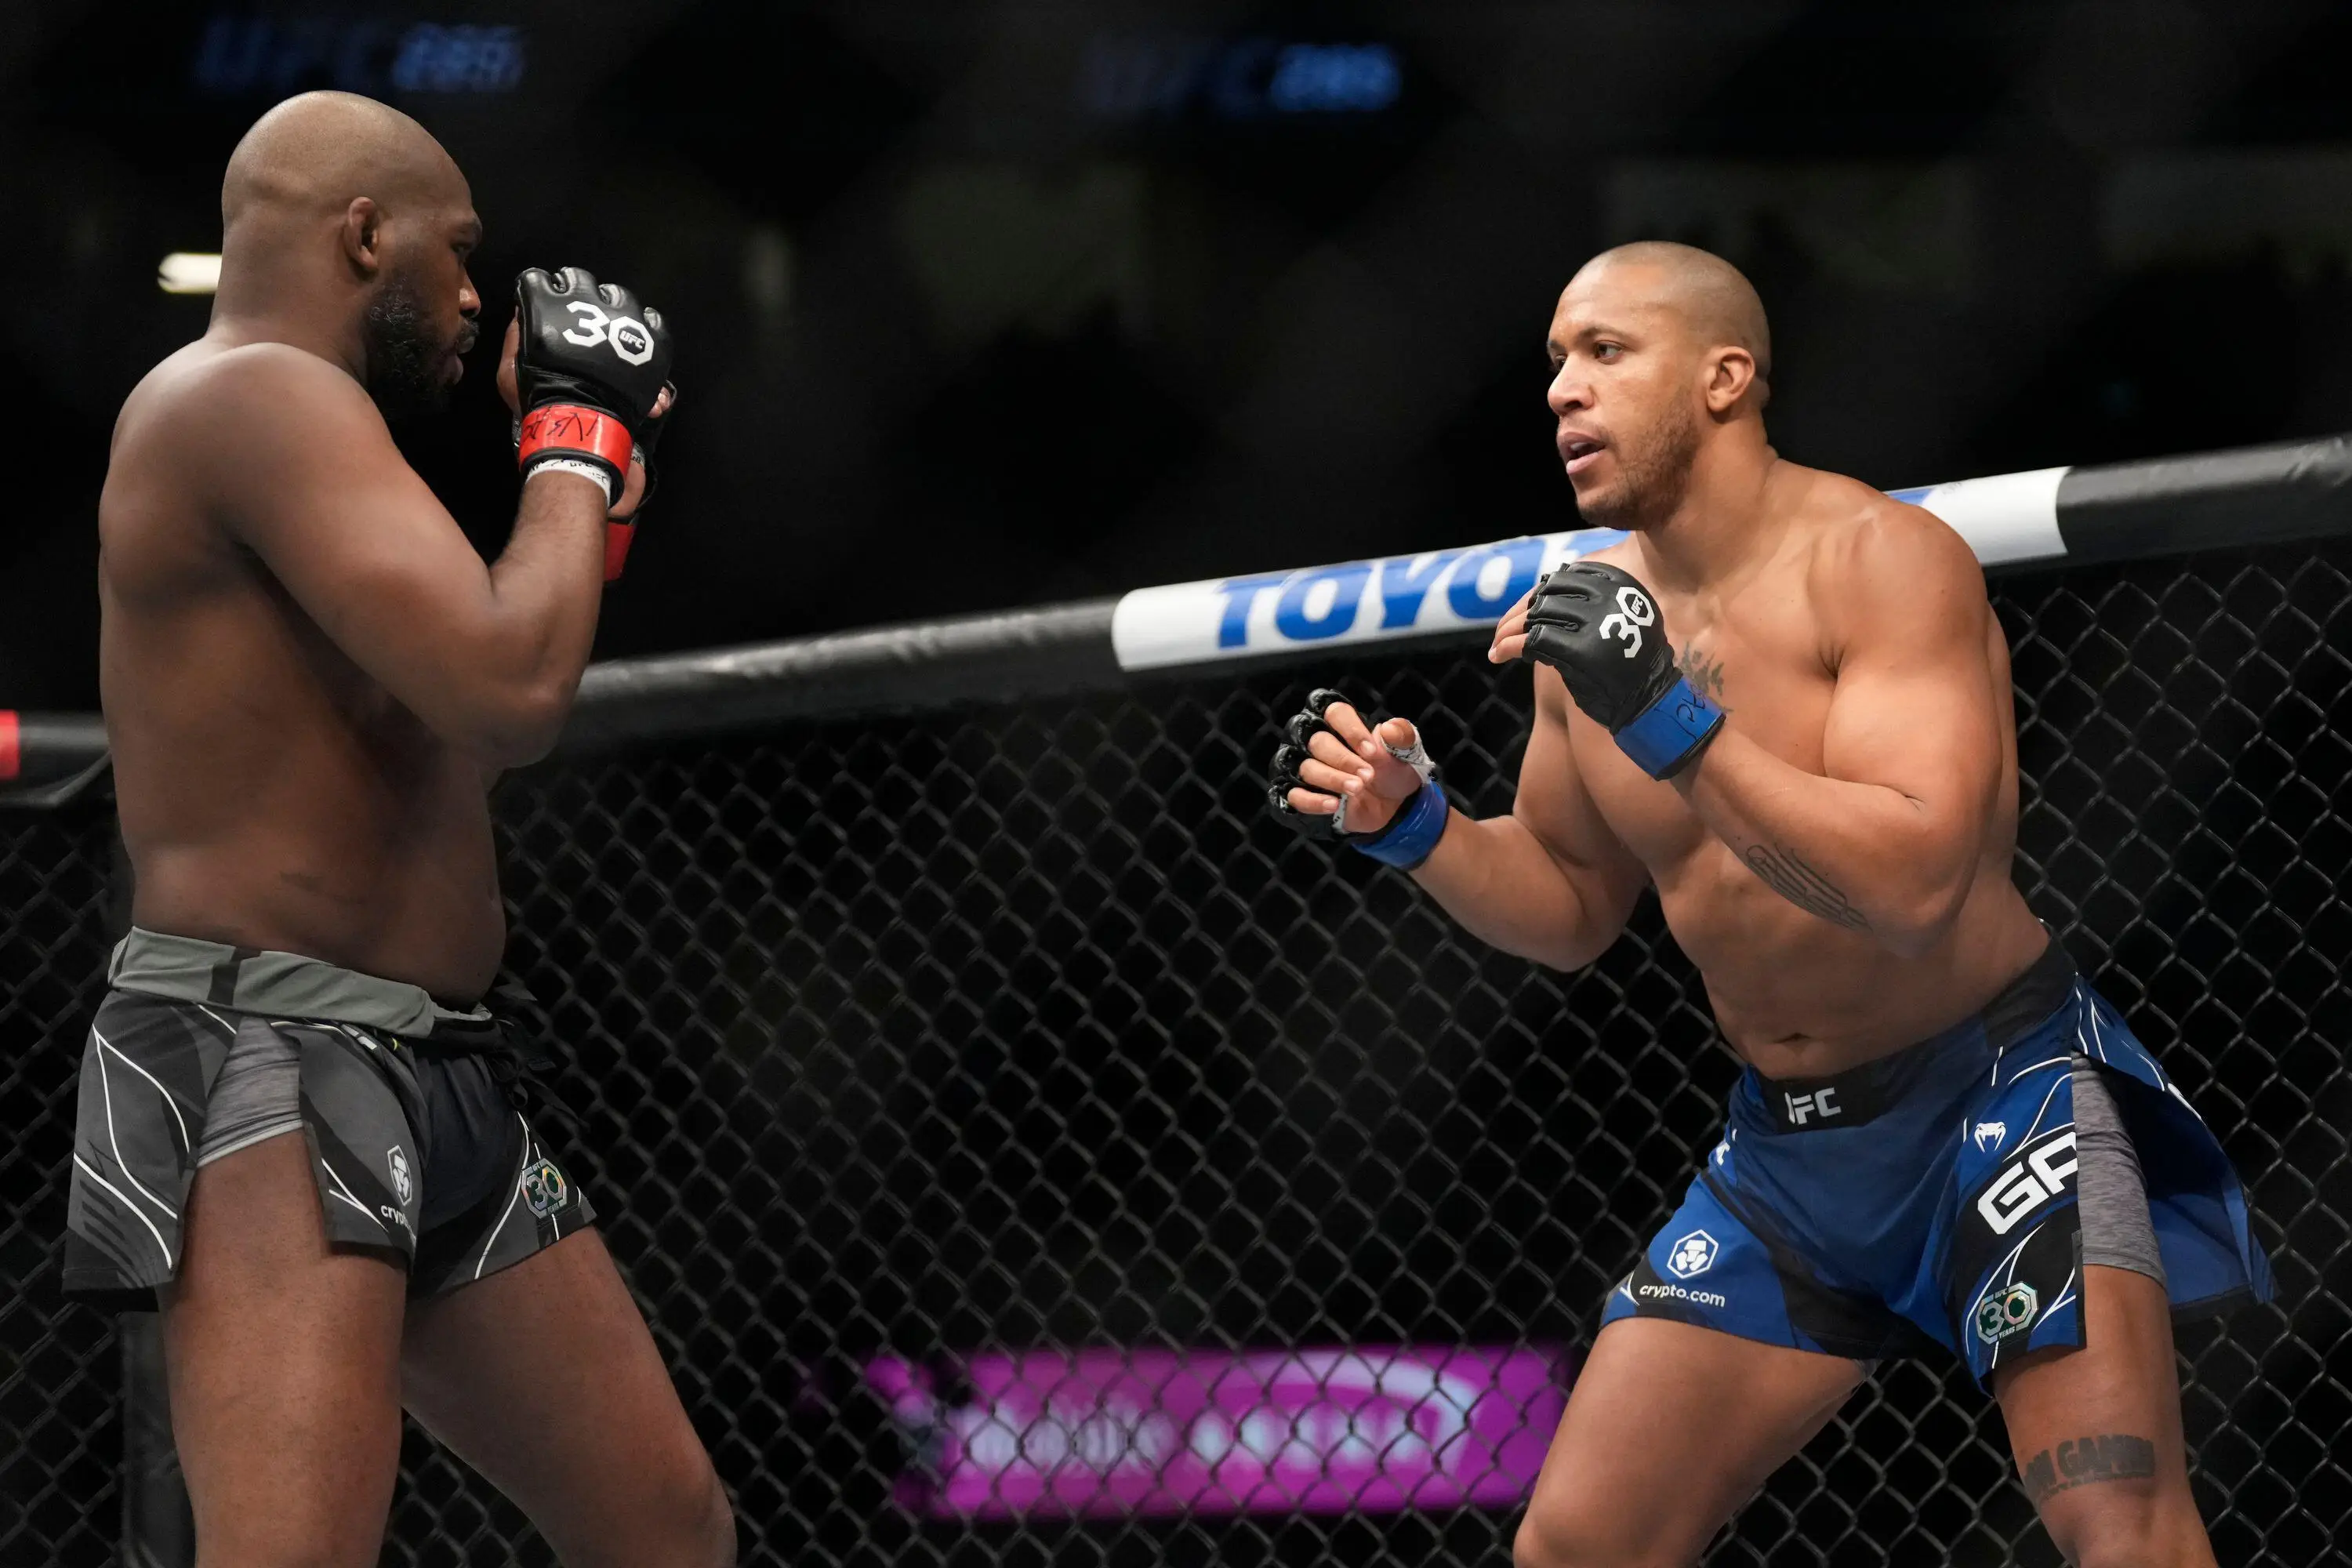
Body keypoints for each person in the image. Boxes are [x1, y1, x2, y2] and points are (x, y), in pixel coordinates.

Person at [1265, 241, 2270, 1567]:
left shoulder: (1883, 560)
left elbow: (1917, 883)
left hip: (1995, 1090)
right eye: (1555, 362)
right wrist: (1419, 828)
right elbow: (1570, 905)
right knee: (1577, 1547)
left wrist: (1674, 720)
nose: (1563, 391)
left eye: (1606, 353)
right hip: (1788, 1158)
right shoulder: (1590, 629)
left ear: (1726, 376)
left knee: (2119, 1526)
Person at [66, 92, 732, 1567]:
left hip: (433, 1065)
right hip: (270, 1062)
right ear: (366, 235)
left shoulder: (324, 444)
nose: (479, 292)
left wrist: (593, 503)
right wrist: (568, 445)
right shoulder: (247, 396)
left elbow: (447, 740)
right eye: (460, 249)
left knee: (665, 1529)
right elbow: (512, 690)